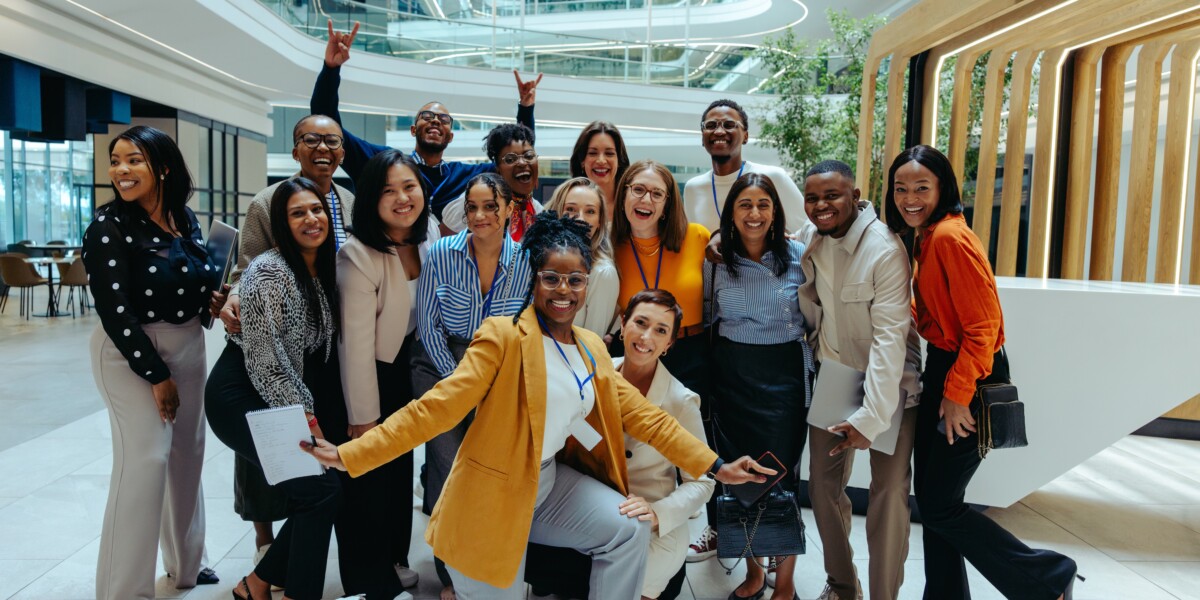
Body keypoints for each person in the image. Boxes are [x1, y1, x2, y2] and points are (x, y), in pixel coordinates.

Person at [302, 212, 771, 600]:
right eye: (551, 278)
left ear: (588, 283)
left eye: (575, 279)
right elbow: (436, 408)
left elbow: (647, 418)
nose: (563, 290)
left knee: (628, 530)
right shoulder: (503, 337)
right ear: (533, 278)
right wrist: (349, 454)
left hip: (547, 481)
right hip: (491, 494)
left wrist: (717, 466)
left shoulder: (589, 346)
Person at [885, 145, 1079, 600]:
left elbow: (984, 327)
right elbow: (940, 313)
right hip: (944, 367)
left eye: (921, 188)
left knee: (939, 505)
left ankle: (1048, 576)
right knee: (936, 503)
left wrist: (956, 394)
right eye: (900, 189)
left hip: (967, 375)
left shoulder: (951, 238)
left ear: (943, 188)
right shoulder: (929, 237)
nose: (909, 198)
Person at [85, 125, 220, 600]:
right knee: (145, 460)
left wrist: (216, 302)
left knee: (188, 454)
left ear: (162, 167)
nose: (121, 170)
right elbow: (115, 310)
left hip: (188, 345)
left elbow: (196, 290)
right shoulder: (108, 227)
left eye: (134, 160)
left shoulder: (185, 220)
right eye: (116, 160)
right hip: (130, 351)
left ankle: (188, 564)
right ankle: (124, 590)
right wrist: (157, 375)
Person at [216, 112, 356, 572]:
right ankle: (264, 543)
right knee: (268, 458)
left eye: (332, 141)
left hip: (321, 346)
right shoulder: (265, 202)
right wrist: (237, 301)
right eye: (310, 140)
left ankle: (285, 567)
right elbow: (249, 268)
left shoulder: (351, 201)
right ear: (295, 148)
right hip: (268, 347)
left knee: (315, 479)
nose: (323, 149)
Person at [525, 289, 715, 600]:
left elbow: (703, 483)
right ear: (623, 323)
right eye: (640, 322)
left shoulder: (681, 401)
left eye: (661, 330)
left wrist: (658, 512)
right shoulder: (591, 372)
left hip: (648, 520)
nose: (646, 336)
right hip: (585, 506)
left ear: (669, 344)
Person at [206, 178, 343, 600]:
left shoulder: (321, 268)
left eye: (316, 209)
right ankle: (281, 588)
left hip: (271, 397)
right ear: (282, 224)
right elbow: (267, 364)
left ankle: (260, 584)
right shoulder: (270, 270)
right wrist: (310, 422)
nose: (311, 219)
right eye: (297, 213)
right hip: (241, 396)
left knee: (323, 491)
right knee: (319, 491)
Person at [796, 160, 922, 600]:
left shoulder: (884, 249)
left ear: (855, 194)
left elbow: (891, 340)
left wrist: (871, 416)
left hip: (887, 385)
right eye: (812, 197)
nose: (821, 205)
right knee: (821, 487)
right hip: (835, 377)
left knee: (888, 494)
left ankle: (883, 595)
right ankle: (843, 585)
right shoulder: (812, 237)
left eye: (832, 196)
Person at [414, 172, 533, 600]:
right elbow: (428, 327)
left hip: (499, 370)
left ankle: (482, 557)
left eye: (489, 206)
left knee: (487, 467)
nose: (479, 216)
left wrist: (489, 387)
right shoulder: (442, 253)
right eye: (472, 207)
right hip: (440, 365)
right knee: (448, 467)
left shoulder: (526, 261)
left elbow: (523, 330)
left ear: (510, 210)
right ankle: (449, 571)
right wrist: (462, 386)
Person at [333, 150, 441, 597]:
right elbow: (354, 344)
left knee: (399, 474)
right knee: (369, 477)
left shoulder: (430, 231)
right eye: (388, 191)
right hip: (374, 371)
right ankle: (368, 578)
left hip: (413, 366)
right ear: (370, 200)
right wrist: (363, 417)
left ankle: (396, 557)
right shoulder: (357, 254)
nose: (402, 198)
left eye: (409, 186)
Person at [312, 20, 540, 223]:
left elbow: (514, 159)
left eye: (443, 119)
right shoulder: (384, 164)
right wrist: (331, 70)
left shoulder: (467, 176)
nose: (435, 122)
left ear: (450, 136)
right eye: (427, 117)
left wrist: (525, 109)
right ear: (413, 130)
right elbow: (329, 130)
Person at [704, 172, 810, 600]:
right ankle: (752, 574)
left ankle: (783, 583)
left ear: (775, 211)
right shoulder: (715, 260)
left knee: (780, 480)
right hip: (733, 379)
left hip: (783, 379)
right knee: (743, 479)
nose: (754, 213)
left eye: (763, 204)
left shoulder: (801, 255)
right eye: (745, 204)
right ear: (732, 211)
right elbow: (710, 316)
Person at [682, 99, 806, 236]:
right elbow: (695, 240)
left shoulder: (772, 177)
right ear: (702, 136)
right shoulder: (693, 188)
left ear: (745, 136)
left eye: (729, 125)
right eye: (710, 125)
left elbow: (807, 231)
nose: (719, 131)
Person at [439, 123, 544, 238]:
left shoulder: (538, 212)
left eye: (529, 156)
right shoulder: (471, 202)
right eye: (510, 159)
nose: (523, 163)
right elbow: (442, 248)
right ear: (498, 170)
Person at [544, 177, 618, 335]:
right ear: (556, 213)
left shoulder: (603, 274)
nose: (580, 219)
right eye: (570, 209)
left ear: (599, 222)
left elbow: (592, 342)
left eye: (590, 211)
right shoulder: (537, 260)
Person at [569, 120, 630, 220]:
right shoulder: (566, 203)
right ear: (582, 161)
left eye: (609, 153)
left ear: (619, 161)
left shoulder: (631, 205)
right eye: (593, 153)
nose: (601, 161)